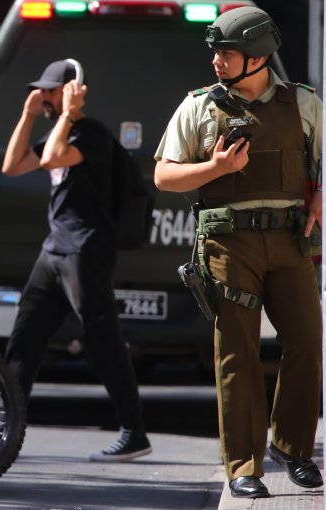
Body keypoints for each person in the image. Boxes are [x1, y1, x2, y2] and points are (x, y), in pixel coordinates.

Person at [154, 6, 322, 499]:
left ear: (258, 56)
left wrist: (320, 194)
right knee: (237, 356)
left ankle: (293, 448)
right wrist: (216, 168)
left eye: (227, 53)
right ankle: (244, 465)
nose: (217, 61)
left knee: (307, 344)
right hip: (229, 245)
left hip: (291, 242)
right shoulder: (200, 107)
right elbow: (164, 175)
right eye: (216, 53)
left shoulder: (304, 104)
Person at [0, 59, 151, 462]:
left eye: (49, 91)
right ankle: (7, 424)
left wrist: (67, 115)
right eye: (42, 91)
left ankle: (134, 431)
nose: (43, 96)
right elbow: (12, 166)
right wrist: (28, 115)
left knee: (102, 339)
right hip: (55, 250)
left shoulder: (92, 134)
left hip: (86, 249)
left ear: (71, 90)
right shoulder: (57, 130)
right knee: (25, 337)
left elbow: (51, 160)